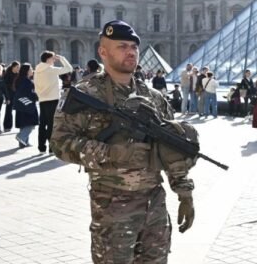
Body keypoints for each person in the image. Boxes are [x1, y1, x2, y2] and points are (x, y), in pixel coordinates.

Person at [51, 20, 196, 263]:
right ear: (103, 52)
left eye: (134, 47)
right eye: (121, 46)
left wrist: (184, 192)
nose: (130, 52)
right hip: (112, 211)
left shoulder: (153, 97)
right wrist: (113, 153)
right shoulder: (85, 94)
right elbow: (59, 143)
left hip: (154, 208)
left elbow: (172, 148)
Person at [34, 51, 73, 154]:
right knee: (52, 124)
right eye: (53, 58)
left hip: (42, 99)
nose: (54, 60)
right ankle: (51, 148)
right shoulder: (50, 70)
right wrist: (62, 58)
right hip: (53, 99)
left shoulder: (37, 70)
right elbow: (69, 68)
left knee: (42, 124)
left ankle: (41, 147)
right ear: (48, 59)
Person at [13, 63, 38, 148]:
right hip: (27, 104)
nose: (32, 70)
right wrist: (35, 96)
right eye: (31, 69)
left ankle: (23, 142)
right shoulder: (26, 81)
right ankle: (21, 136)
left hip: (21, 104)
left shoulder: (20, 79)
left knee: (23, 123)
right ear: (27, 71)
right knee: (31, 123)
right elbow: (27, 93)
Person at [2, 62, 20, 132]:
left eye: (19, 67)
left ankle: (19, 125)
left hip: (17, 94)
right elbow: (5, 87)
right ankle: (7, 126)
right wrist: (7, 97)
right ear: (13, 67)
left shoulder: (18, 75)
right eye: (17, 67)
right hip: (9, 94)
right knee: (8, 110)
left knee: (19, 110)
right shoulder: (7, 75)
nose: (18, 68)